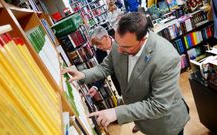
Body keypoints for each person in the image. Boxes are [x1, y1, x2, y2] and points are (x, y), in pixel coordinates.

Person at [62, 12, 190, 135]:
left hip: (166, 124)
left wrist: (116, 113)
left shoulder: (166, 58)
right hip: (146, 121)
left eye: (126, 47)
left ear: (142, 40)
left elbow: (159, 105)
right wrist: (83, 74)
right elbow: (105, 67)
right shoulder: (122, 44)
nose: (119, 50)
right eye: (117, 43)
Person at [88, 26, 122, 99]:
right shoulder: (99, 52)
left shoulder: (121, 40)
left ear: (106, 37)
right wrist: (95, 86)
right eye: (96, 45)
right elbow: (103, 70)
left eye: (99, 43)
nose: (98, 47)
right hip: (121, 88)